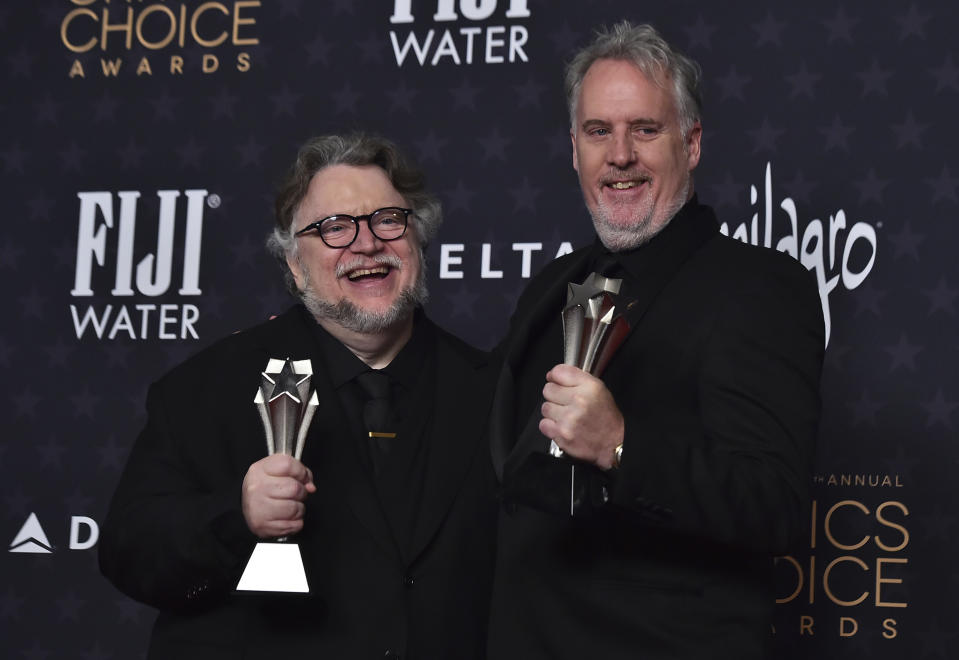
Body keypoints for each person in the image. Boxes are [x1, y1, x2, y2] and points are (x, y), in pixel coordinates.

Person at [487, 21, 824, 660]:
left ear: (691, 144)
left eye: (645, 129)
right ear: (573, 148)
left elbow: (774, 505)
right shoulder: (552, 285)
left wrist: (621, 445)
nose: (620, 155)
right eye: (598, 132)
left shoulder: (758, 288)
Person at [99, 133, 497, 659]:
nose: (366, 243)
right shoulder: (204, 389)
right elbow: (130, 552)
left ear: (417, 238)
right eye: (333, 228)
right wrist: (234, 517)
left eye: (387, 220)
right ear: (293, 264)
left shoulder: (493, 389)